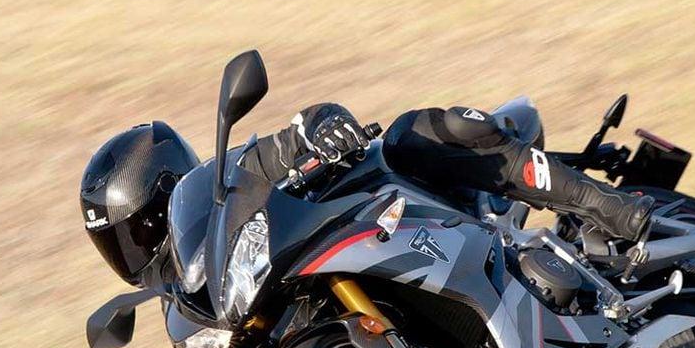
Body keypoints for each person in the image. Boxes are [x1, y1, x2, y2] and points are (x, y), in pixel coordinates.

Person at [81, 103, 653, 288]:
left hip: (387, 211)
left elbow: (295, 134)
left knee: (414, 134)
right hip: (334, 289)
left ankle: (609, 207)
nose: (142, 249)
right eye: (122, 243)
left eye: (142, 229)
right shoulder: (192, 301)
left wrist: (320, 131)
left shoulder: (235, 178)